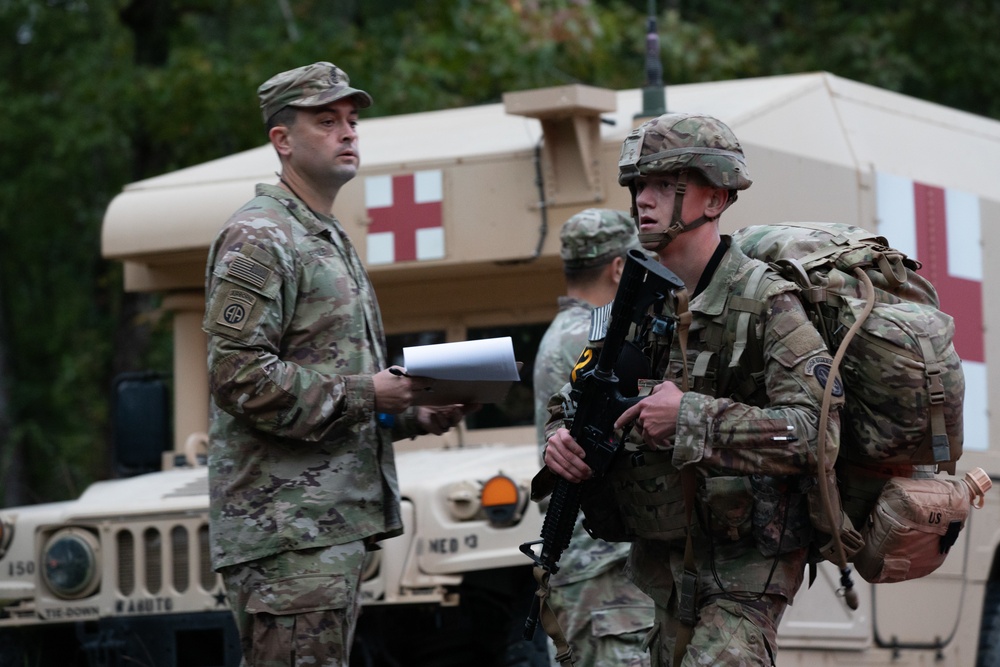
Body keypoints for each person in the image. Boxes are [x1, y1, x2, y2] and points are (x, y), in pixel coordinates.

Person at [540, 113, 845, 666]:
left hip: (746, 564)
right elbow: (575, 397)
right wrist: (559, 436)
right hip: (662, 567)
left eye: (663, 184)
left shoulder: (766, 302)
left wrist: (691, 420)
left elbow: (816, 432)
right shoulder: (633, 303)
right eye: (638, 186)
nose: (643, 200)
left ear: (715, 197)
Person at [203, 62, 470, 667]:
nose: (349, 132)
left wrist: (409, 411)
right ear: (282, 140)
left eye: (351, 120)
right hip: (286, 533)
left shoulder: (322, 235)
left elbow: (334, 383)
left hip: (322, 529)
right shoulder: (261, 237)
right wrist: (370, 395)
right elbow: (237, 376)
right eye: (327, 121)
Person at [532, 208, 654, 666]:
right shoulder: (595, 337)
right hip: (604, 565)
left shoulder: (558, 334)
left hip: (580, 561)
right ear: (619, 268)